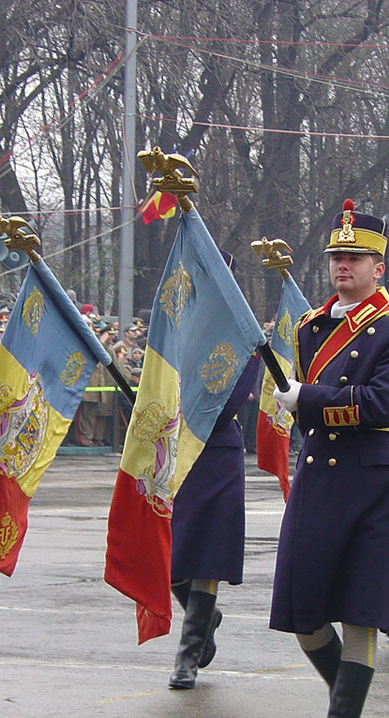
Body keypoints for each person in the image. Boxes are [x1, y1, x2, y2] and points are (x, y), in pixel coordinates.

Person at [269, 199, 389, 718]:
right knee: (303, 613)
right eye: (337, 256)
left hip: (372, 479)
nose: (343, 264)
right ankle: (349, 699)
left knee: (360, 613)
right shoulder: (310, 326)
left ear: (378, 268)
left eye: (356, 257)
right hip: (319, 477)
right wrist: (303, 404)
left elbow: (384, 404)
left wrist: (307, 400)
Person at [168, 251, 262, 690]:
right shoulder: (172, 328)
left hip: (215, 450)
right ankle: (205, 617)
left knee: (205, 555)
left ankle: (187, 655)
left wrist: (185, 404)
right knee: (171, 555)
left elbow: (230, 400)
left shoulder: (243, 332)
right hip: (172, 446)